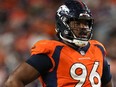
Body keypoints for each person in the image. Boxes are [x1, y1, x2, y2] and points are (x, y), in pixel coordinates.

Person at [4, 0, 113, 87]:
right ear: (63, 24)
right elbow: (13, 81)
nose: (83, 28)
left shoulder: (97, 49)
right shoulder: (53, 51)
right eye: (77, 23)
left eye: (86, 23)